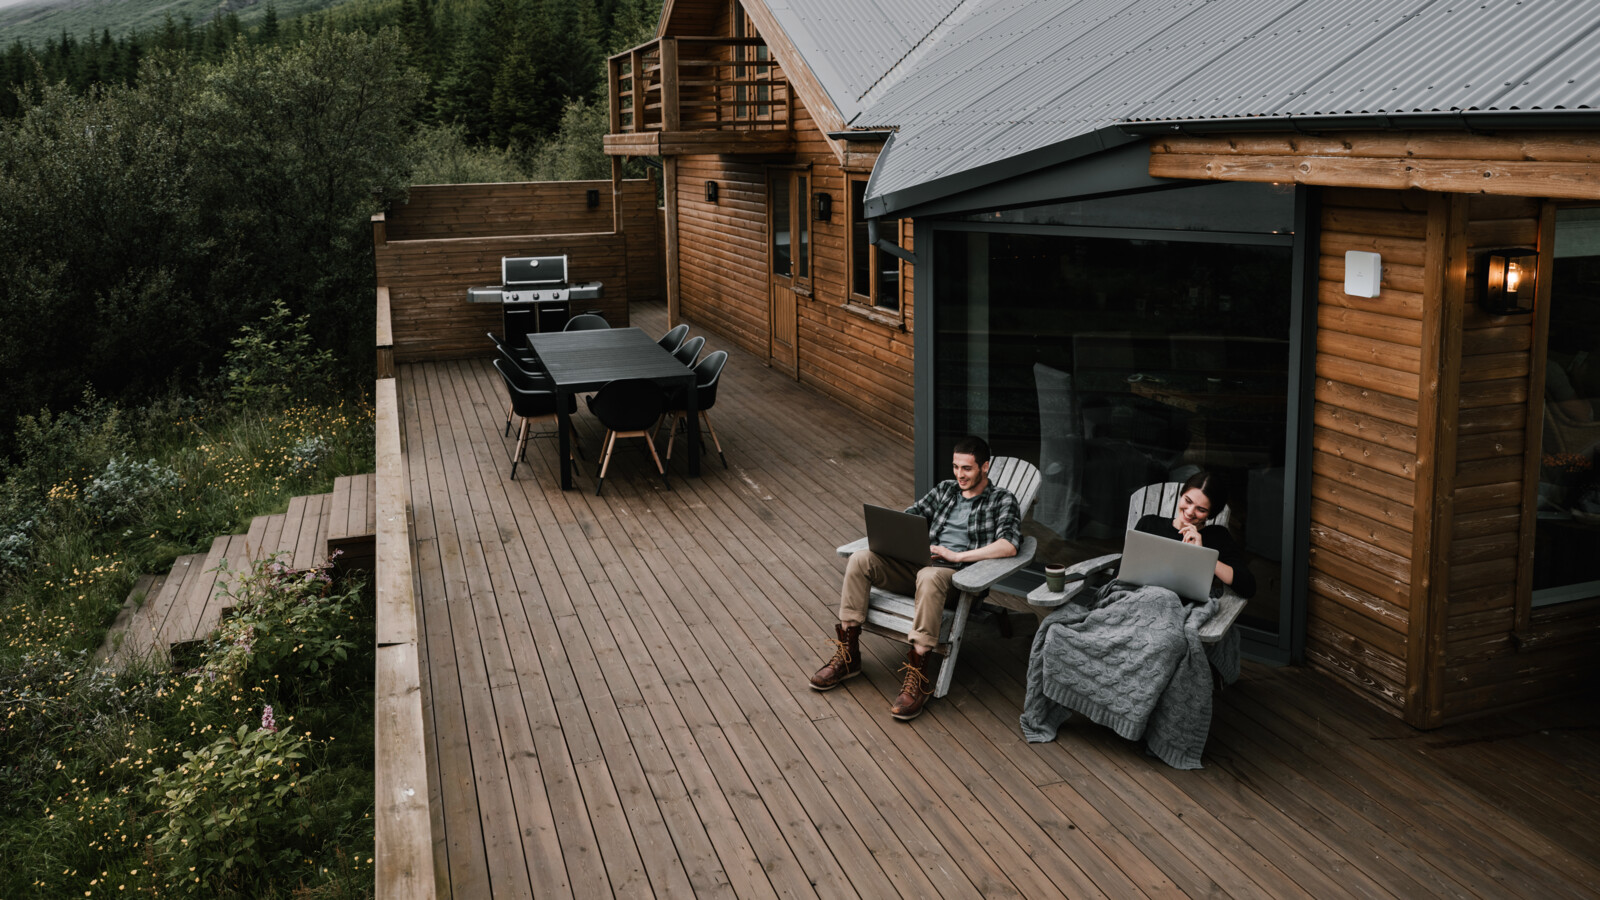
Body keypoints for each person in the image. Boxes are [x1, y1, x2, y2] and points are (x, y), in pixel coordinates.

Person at [809, 435, 1021, 720]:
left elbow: (1009, 545)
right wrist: (903, 541)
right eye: (956, 467)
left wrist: (957, 556)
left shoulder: (1002, 500)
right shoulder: (945, 490)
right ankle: (849, 656)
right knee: (861, 560)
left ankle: (918, 678)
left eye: (967, 469)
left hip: (957, 578)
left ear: (985, 467)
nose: (959, 474)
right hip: (920, 566)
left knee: (931, 577)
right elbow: (911, 517)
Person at [1133, 470, 1255, 599]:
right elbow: (1121, 573)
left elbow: (1248, 587)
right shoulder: (1149, 524)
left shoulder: (1217, 537)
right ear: (1182, 494)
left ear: (1211, 513)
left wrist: (1202, 554)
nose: (1190, 512)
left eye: (1201, 509)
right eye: (1188, 501)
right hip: (1137, 597)